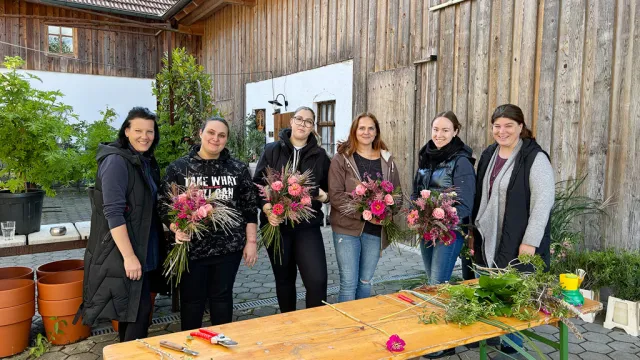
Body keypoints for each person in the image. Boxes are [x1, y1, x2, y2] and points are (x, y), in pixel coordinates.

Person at [472, 104, 555, 356]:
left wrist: (530, 242)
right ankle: (495, 337)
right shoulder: (489, 154)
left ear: (521, 127)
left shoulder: (534, 158)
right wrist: (472, 233)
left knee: (515, 294)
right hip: (490, 237)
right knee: (493, 292)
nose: (502, 131)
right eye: (497, 126)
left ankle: (512, 349)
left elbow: (544, 202)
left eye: (509, 125)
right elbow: (480, 197)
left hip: (520, 239)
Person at [162, 116, 258, 330]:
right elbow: (163, 206)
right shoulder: (179, 168)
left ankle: (221, 343)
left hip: (228, 247)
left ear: (226, 139)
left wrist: (251, 242)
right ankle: (191, 348)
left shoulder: (238, 169)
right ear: (200, 133)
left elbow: (250, 208)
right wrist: (175, 228)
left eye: (222, 135)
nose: (216, 138)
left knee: (222, 298)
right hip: (191, 248)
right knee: (192, 301)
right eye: (211, 133)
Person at [80, 107, 167, 342]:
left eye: (149, 131)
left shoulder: (144, 160)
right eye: (138, 130)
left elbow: (149, 204)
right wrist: (129, 257)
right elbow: (113, 213)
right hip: (123, 252)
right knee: (135, 316)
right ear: (126, 131)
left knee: (136, 315)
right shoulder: (116, 162)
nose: (144, 136)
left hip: (144, 247)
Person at [253, 106, 331, 313]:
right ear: (291, 122)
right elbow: (257, 186)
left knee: (317, 280)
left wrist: (324, 196)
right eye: (299, 119)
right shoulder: (272, 150)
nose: (302, 124)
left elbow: (329, 189)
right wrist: (267, 209)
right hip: (276, 226)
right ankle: (289, 323)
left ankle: (313, 325)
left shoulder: (320, 156)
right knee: (285, 279)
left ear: (313, 128)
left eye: (308, 121)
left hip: (307, 226)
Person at [328, 112, 402, 302]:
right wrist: (364, 213)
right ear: (354, 130)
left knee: (365, 281)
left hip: (375, 230)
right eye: (362, 128)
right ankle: (347, 329)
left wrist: (388, 210)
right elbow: (335, 195)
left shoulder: (386, 159)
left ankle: (363, 326)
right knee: (348, 283)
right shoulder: (342, 159)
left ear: (376, 132)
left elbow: (397, 194)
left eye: (371, 128)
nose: (366, 132)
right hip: (346, 229)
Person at [413, 111, 476, 284]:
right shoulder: (426, 156)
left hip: (450, 232)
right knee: (432, 281)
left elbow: (465, 204)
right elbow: (416, 191)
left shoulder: (461, 161)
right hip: (427, 229)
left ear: (455, 131)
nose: (439, 135)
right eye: (436, 129)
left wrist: (442, 218)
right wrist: (417, 213)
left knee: (437, 283)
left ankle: (439, 311)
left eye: (445, 130)